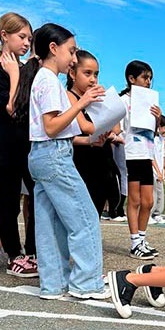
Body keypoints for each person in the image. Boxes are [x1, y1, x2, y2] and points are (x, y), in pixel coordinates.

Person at [25, 23, 110, 300]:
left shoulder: (42, 78)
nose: (74, 58)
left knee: (49, 225)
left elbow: (58, 129)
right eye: (71, 51)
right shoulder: (49, 81)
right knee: (85, 219)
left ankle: (53, 284)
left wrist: (87, 131)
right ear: (53, 48)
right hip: (54, 155)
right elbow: (52, 127)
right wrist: (81, 103)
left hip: (41, 155)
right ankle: (87, 283)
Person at [0, 12, 39, 277]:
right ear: (5, 35)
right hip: (7, 144)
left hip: (29, 143)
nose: (26, 42)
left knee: (38, 197)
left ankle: (34, 250)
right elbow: (10, 109)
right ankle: (14, 256)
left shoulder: (25, 68)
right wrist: (15, 75)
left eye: (29, 38)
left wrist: (23, 70)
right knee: (8, 200)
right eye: (22, 36)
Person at [119, 60, 163, 260]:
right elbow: (116, 127)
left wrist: (158, 118)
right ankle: (134, 242)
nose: (148, 81)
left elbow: (154, 133)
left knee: (148, 201)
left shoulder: (150, 102)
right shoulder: (123, 101)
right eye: (145, 77)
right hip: (132, 154)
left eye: (150, 78)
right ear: (131, 78)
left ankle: (142, 239)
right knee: (134, 200)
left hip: (147, 154)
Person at [67, 49, 119, 216]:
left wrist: (107, 102)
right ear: (72, 74)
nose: (93, 79)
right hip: (81, 160)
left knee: (95, 211)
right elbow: (86, 127)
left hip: (101, 160)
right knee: (80, 213)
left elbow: (116, 129)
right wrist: (106, 127)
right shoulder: (69, 96)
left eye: (96, 74)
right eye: (87, 73)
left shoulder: (95, 99)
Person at [149, 116, 165, 225]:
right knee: (152, 194)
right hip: (153, 170)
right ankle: (148, 214)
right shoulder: (151, 138)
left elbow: (162, 156)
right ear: (159, 126)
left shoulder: (161, 139)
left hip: (159, 172)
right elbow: (151, 156)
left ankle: (157, 214)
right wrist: (157, 171)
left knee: (160, 193)